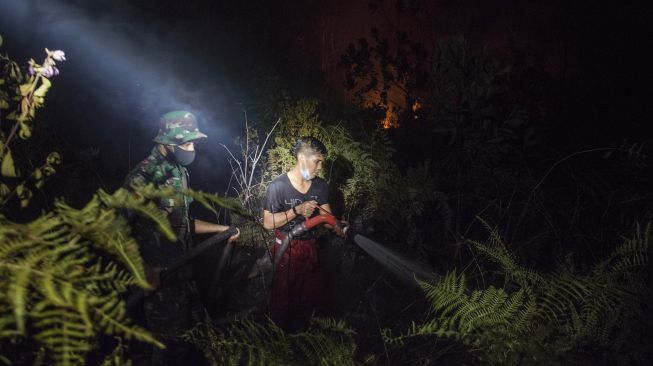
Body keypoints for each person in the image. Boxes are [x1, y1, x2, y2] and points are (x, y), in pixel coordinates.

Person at [124, 110, 239, 366]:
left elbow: (184, 223)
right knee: (168, 349)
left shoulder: (179, 172)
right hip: (159, 284)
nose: (192, 146)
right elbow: (115, 227)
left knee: (192, 342)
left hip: (183, 277)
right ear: (166, 142)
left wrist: (221, 231)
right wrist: (143, 269)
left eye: (193, 140)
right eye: (186, 142)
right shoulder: (144, 176)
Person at [262, 136, 345, 329]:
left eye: (322, 163)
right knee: (282, 300)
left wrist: (338, 225)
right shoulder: (278, 186)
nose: (319, 167)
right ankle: (276, 341)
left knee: (314, 298)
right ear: (301, 158)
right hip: (286, 248)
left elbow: (326, 217)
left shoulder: (320, 186)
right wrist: (296, 211)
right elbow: (267, 223)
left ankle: (308, 339)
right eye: (317, 161)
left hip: (310, 247)